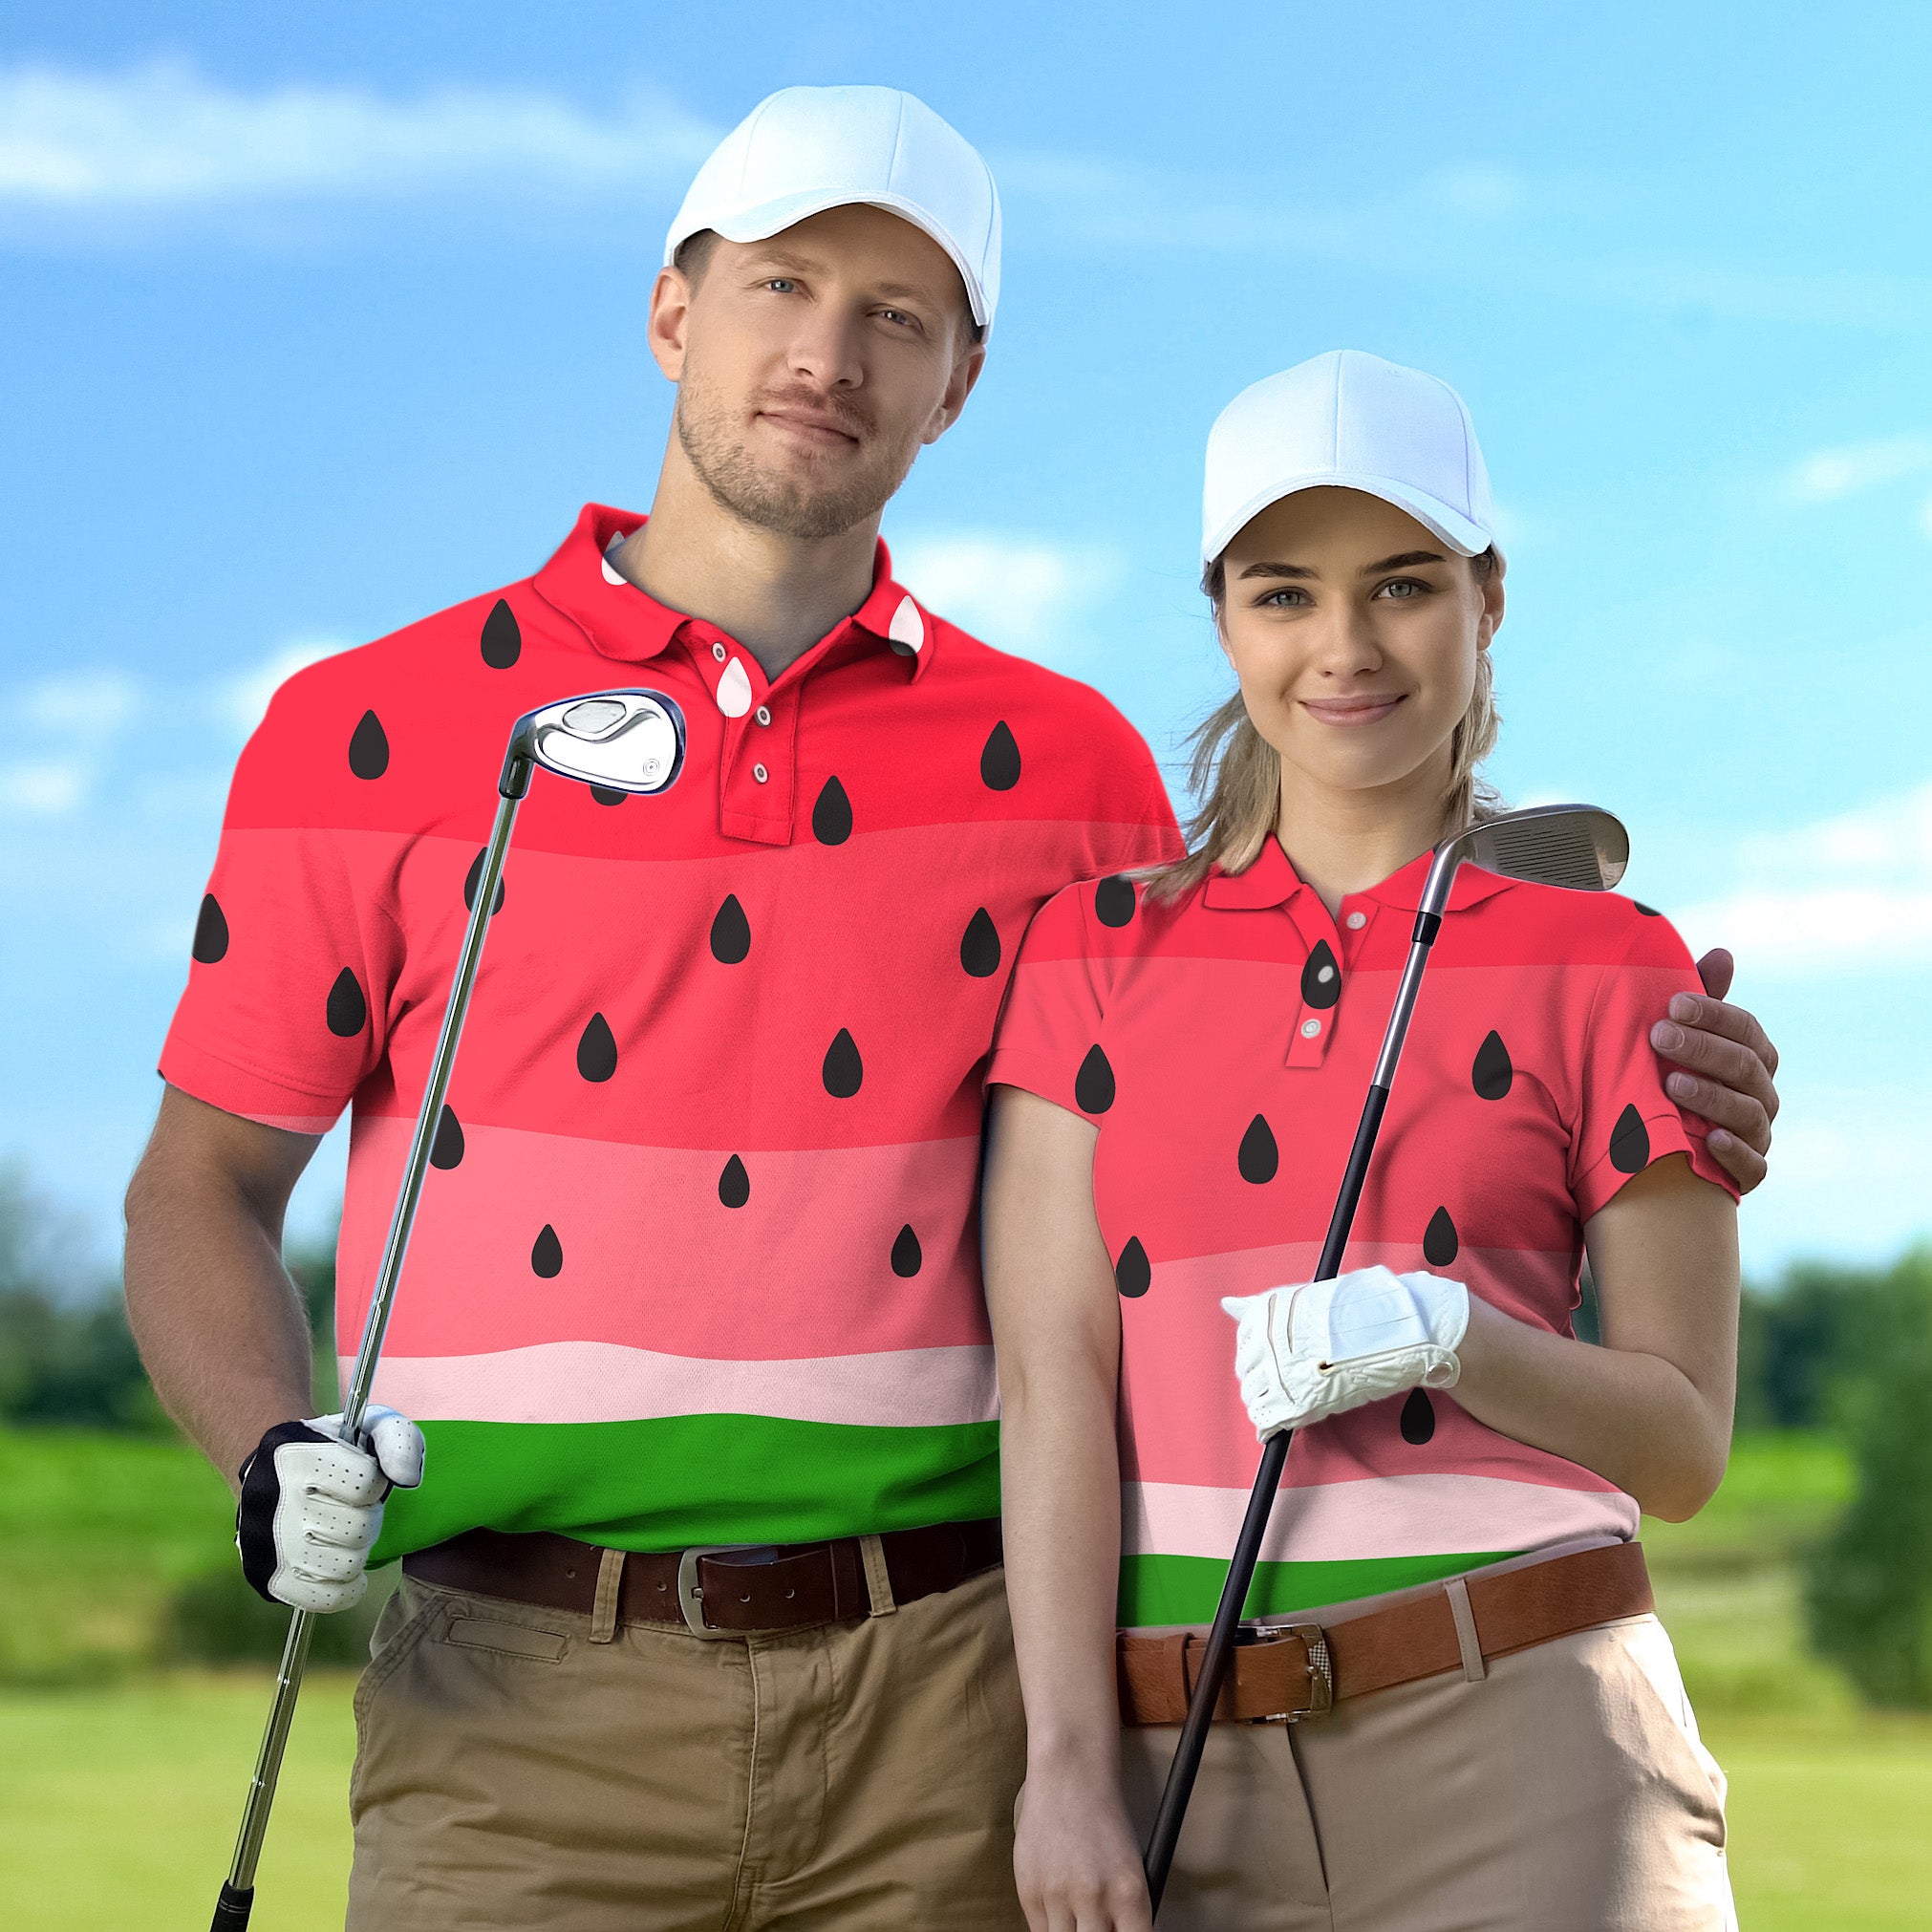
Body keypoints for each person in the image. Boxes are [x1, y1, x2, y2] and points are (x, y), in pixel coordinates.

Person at [118, 83, 1776, 1928]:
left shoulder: (1067, 766)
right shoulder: (369, 726)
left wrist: (1621, 1017)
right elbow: (200, 1187)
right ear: (673, 310)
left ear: (959, 381)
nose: (827, 354)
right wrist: (268, 1451)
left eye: (895, 316)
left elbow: (1277, 989)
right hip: (509, 1701)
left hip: (946, 1696)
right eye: (781, 287)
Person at [985, 351, 1751, 1930]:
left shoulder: (1612, 958)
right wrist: (1062, 1762)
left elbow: (1678, 1448)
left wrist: (1445, 1334)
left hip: (1532, 1737)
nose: (1342, 647)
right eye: (1283, 594)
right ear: (1220, 618)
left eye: (1400, 585)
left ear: (1485, 599)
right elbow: (1049, 1374)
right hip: (1179, 1765)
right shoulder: (1089, 956)